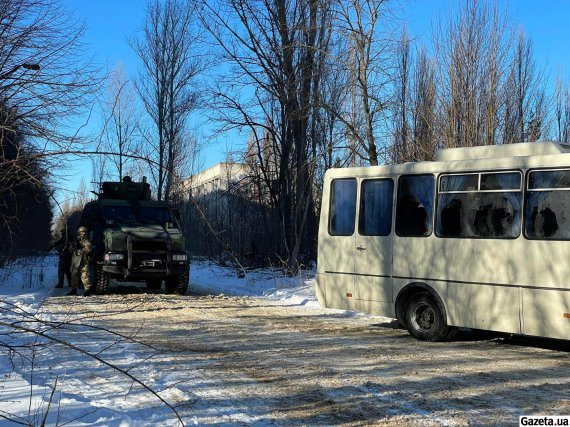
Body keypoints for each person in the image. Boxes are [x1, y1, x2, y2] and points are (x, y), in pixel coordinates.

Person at [69, 226, 93, 296]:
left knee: (85, 275)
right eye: (81, 232)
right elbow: (71, 249)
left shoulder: (86, 240)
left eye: (84, 232)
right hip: (76, 259)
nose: (83, 233)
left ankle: (87, 290)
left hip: (83, 259)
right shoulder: (76, 239)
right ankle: (73, 290)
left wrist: (80, 251)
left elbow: (89, 248)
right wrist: (72, 247)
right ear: (79, 232)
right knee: (74, 275)